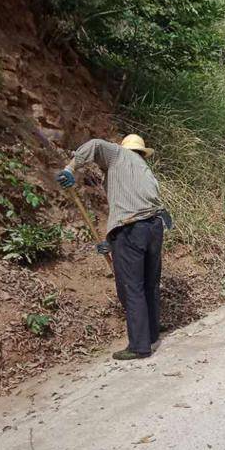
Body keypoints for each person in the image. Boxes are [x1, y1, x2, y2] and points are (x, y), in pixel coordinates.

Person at [56, 134, 171, 360]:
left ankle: (139, 346)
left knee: (132, 287)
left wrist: (70, 169)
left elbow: (96, 144)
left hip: (131, 230)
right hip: (154, 226)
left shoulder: (119, 155)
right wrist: (111, 242)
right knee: (149, 283)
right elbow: (138, 205)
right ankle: (151, 332)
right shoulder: (143, 168)